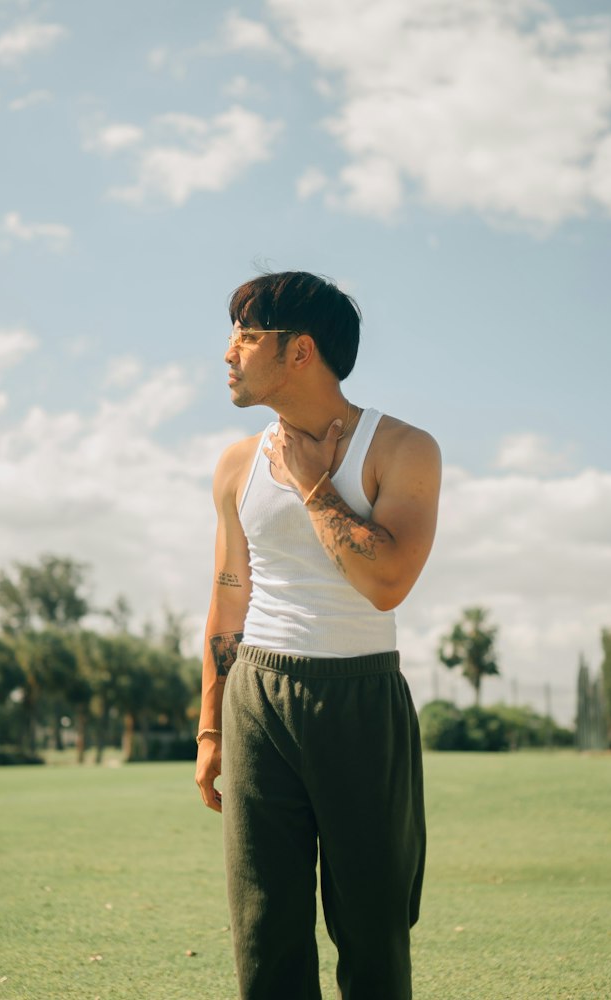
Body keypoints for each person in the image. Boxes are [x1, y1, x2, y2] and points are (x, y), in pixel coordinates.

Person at [194, 271, 441, 1000]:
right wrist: (211, 728)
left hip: (359, 697)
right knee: (264, 932)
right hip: (255, 699)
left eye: (246, 334)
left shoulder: (402, 448)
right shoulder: (236, 465)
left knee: (372, 929)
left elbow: (387, 580)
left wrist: (312, 487)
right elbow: (227, 598)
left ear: (299, 351)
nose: (229, 352)